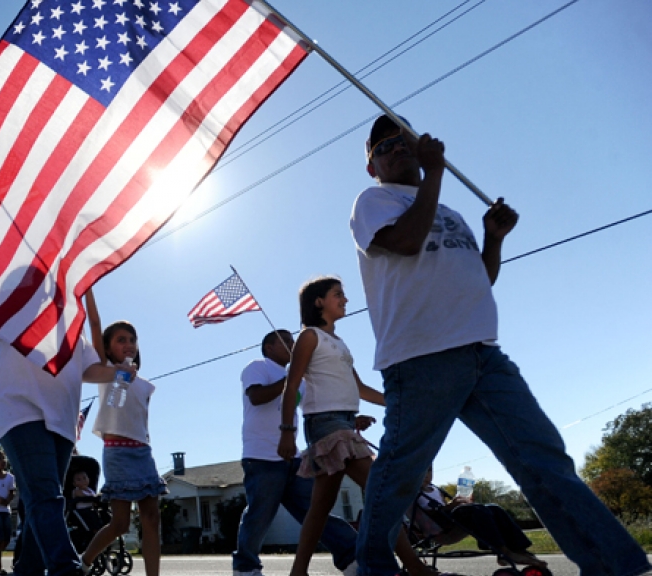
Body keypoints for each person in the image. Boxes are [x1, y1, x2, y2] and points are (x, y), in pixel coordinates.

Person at [349, 114, 652, 576]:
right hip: (420, 358)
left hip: (482, 354)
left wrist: (493, 239)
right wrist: (434, 175)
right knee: (398, 475)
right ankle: (374, 568)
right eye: (383, 146)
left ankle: (614, 566)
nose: (395, 148)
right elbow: (407, 243)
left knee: (542, 457)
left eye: (402, 139)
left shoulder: (448, 214)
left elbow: (479, 279)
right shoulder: (373, 200)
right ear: (372, 166)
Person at [279, 278, 431, 576]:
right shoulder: (309, 337)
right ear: (318, 301)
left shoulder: (339, 343)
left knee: (319, 509)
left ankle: (298, 572)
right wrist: (287, 431)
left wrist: (399, 402)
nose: (345, 299)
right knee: (380, 487)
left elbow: (359, 388)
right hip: (326, 425)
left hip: (345, 422)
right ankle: (414, 565)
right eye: (338, 295)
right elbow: (291, 385)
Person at [0, 289, 131, 576]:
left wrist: (121, 373)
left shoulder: (73, 334)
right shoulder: (11, 313)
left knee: (39, 501)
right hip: (21, 413)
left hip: (63, 424)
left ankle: (27, 570)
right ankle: (66, 568)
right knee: (45, 495)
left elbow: (93, 370)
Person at [232, 329, 359, 576]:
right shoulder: (258, 366)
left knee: (316, 510)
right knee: (260, 515)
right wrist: (290, 379)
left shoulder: (297, 378)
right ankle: (246, 568)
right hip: (261, 457)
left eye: (293, 340)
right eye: (287, 341)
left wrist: (349, 419)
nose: (293, 344)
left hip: (293, 458)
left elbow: (314, 406)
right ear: (269, 347)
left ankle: (353, 557)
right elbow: (257, 396)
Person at [79, 293, 167, 576]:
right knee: (120, 523)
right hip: (116, 452)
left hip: (142, 452)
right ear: (108, 347)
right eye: (120, 340)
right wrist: (89, 291)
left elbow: (142, 423)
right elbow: (94, 323)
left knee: (151, 518)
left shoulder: (146, 386)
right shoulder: (107, 372)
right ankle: (85, 560)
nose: (128, 344)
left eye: (132, 340)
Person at [409, 467, 545, 568]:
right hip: (438, 527)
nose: (426, 475)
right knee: (475, 510)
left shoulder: (434, 489)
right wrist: (451, 507)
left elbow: (447, 506)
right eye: (421, 471)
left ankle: (519, 548)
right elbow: (426, 515)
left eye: (429, 471)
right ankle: (502, 550)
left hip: (450, 519)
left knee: (493, 508)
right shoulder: (411, 494)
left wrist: (460, 503)